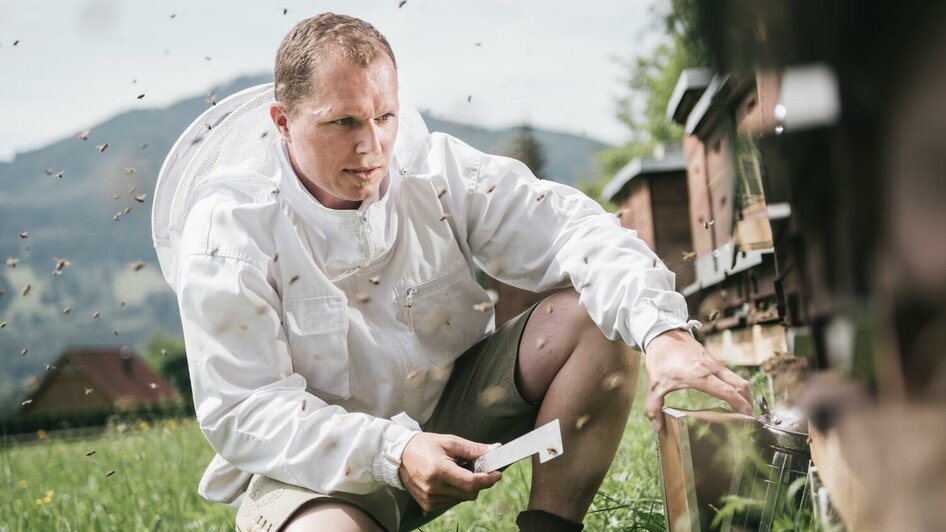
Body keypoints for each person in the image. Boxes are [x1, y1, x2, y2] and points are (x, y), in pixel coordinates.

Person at [152, 12, 753, 532]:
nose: (372, 148)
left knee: (595, 316)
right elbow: (246, 409)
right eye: (344, 123)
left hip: (453, 415)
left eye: (383, 116)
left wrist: (665, 335)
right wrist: (394, 449)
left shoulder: (435, 171)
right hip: (317, 472)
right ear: (282, 122)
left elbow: (576, 229)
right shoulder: (229, 232)